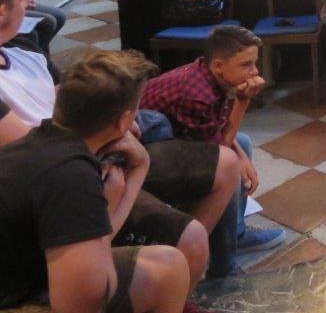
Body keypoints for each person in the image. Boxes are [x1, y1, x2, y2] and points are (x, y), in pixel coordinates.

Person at [0, 49, 191, 313]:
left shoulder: (37, 144)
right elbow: (83, 300)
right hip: (18, 301)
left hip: (27, 277)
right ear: (124, 121)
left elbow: (87, 252)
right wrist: (113, 200)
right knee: (167, 272)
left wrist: (139, 169)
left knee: (168, 263)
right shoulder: (71, 175)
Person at [140, 26, 283, 257]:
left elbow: (217, 129)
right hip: (149, 155)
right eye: (246, 64)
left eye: (254, 63)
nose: (255, 71)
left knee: (243, 143)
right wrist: (242, 102)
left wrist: (242, 156)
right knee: (228, 168)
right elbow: (219, 153)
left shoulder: (207, 71)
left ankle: (236, 234)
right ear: (218, 65)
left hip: (174, 138)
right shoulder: (198, 96)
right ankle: (222, 259)